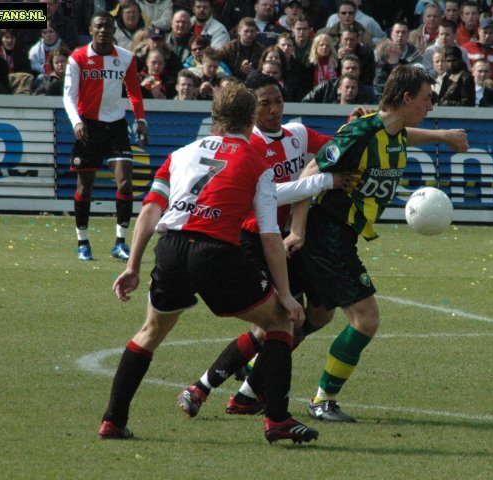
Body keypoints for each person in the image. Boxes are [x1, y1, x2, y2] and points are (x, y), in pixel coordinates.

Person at [99, 80, 319, 445]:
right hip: (215, 251)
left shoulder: (181, 153)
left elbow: (151, 209)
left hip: (170, 249)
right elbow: (269, 234)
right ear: (251, 117)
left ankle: (113, 421)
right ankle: (277, 420)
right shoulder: (255, 159)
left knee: (150, 332)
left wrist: (132, 266)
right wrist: (286, 293)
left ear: (215, 116)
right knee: (281, 322)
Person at [280, 64, 468, 422]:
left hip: (340, 236)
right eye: (427, 99)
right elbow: (308, 174)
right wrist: (298, 231)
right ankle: (322, 400)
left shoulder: (391, 132)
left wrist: (442, 136)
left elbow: (403, 135)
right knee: (366, 319)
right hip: (327, 234)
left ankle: (254, 376)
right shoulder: (360, 131)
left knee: (316, 316)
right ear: (407, 98)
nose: (431, 106)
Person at [175, 72, 353, 419]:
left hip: (286, 239)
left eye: (277, 101)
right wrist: (324, 181)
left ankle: (247, 391)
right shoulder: (250, 146)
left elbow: (337, 147)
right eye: (264, 104)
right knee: (275, 324)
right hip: (255, 240)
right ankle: (204, 387)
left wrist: (354, 126)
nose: (273, 110)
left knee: (319, 313)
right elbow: (271, 195)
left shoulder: (297, 134)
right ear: (250, 109)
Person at [63, 11, 148, 261]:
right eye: (98, 26)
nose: (103, 31)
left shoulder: (125, 58)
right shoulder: (77, 58)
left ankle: (120, 242)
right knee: (85, 188)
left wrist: (140, 119)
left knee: (125, 183)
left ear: (113, 30)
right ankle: (82, 242)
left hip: (116, 126)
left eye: (107, 27)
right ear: (90, 29)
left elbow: (134, 91)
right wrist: (77, 122)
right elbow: (69, 96)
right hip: (88, 127)